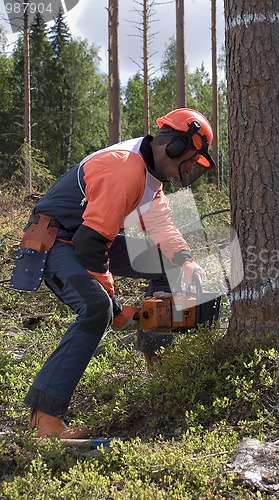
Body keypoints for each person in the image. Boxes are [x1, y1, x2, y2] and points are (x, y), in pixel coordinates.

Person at [10, 108, 216, 439]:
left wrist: (185, 259)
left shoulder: (150, 174)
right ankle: (45, 419)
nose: (190, 168)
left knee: (166, 263)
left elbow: (160, 224)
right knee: (97, 310)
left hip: (84, 237)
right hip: (57, 241)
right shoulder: (125, 167)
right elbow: (90, 247)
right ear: (175, 146)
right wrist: (116, 306)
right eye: (190, 159)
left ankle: (157, 358)